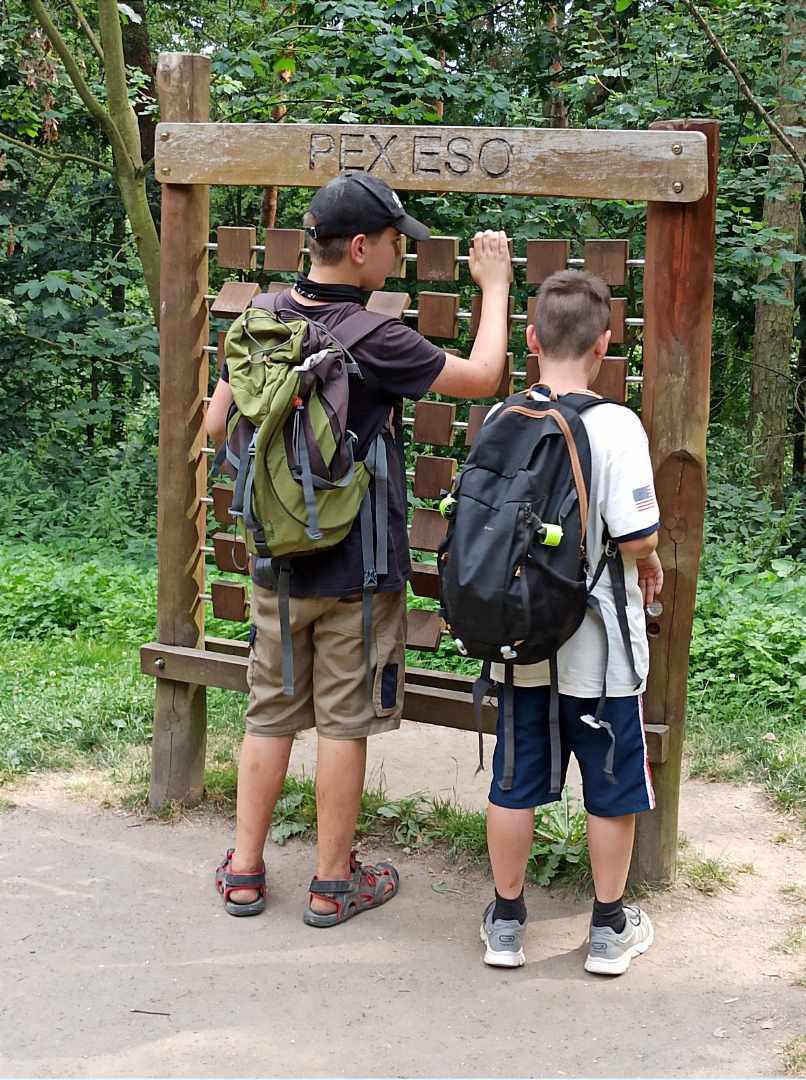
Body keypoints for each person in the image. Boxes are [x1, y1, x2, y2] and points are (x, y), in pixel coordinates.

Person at [207, 172, 512, 926]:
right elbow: (482, 378)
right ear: (359, 248)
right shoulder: (376, 337)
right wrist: (496, 286)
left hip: (276, 566)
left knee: (269, 714)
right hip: (359, 572)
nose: (397, 257)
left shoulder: (264, 318)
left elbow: (216, 427)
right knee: (344, 725)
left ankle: (244, 873)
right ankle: (332, 884)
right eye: (391, 244)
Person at [480, 269, 663, 974]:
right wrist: (650, 558)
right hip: (600, 651)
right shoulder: (616, 425)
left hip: (523, 640)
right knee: (611, 783)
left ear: (531, 339)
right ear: (604, 345)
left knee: (515, 778)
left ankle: (506, 922)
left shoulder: (502, 419)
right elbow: (637, 537)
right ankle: (609, 929)